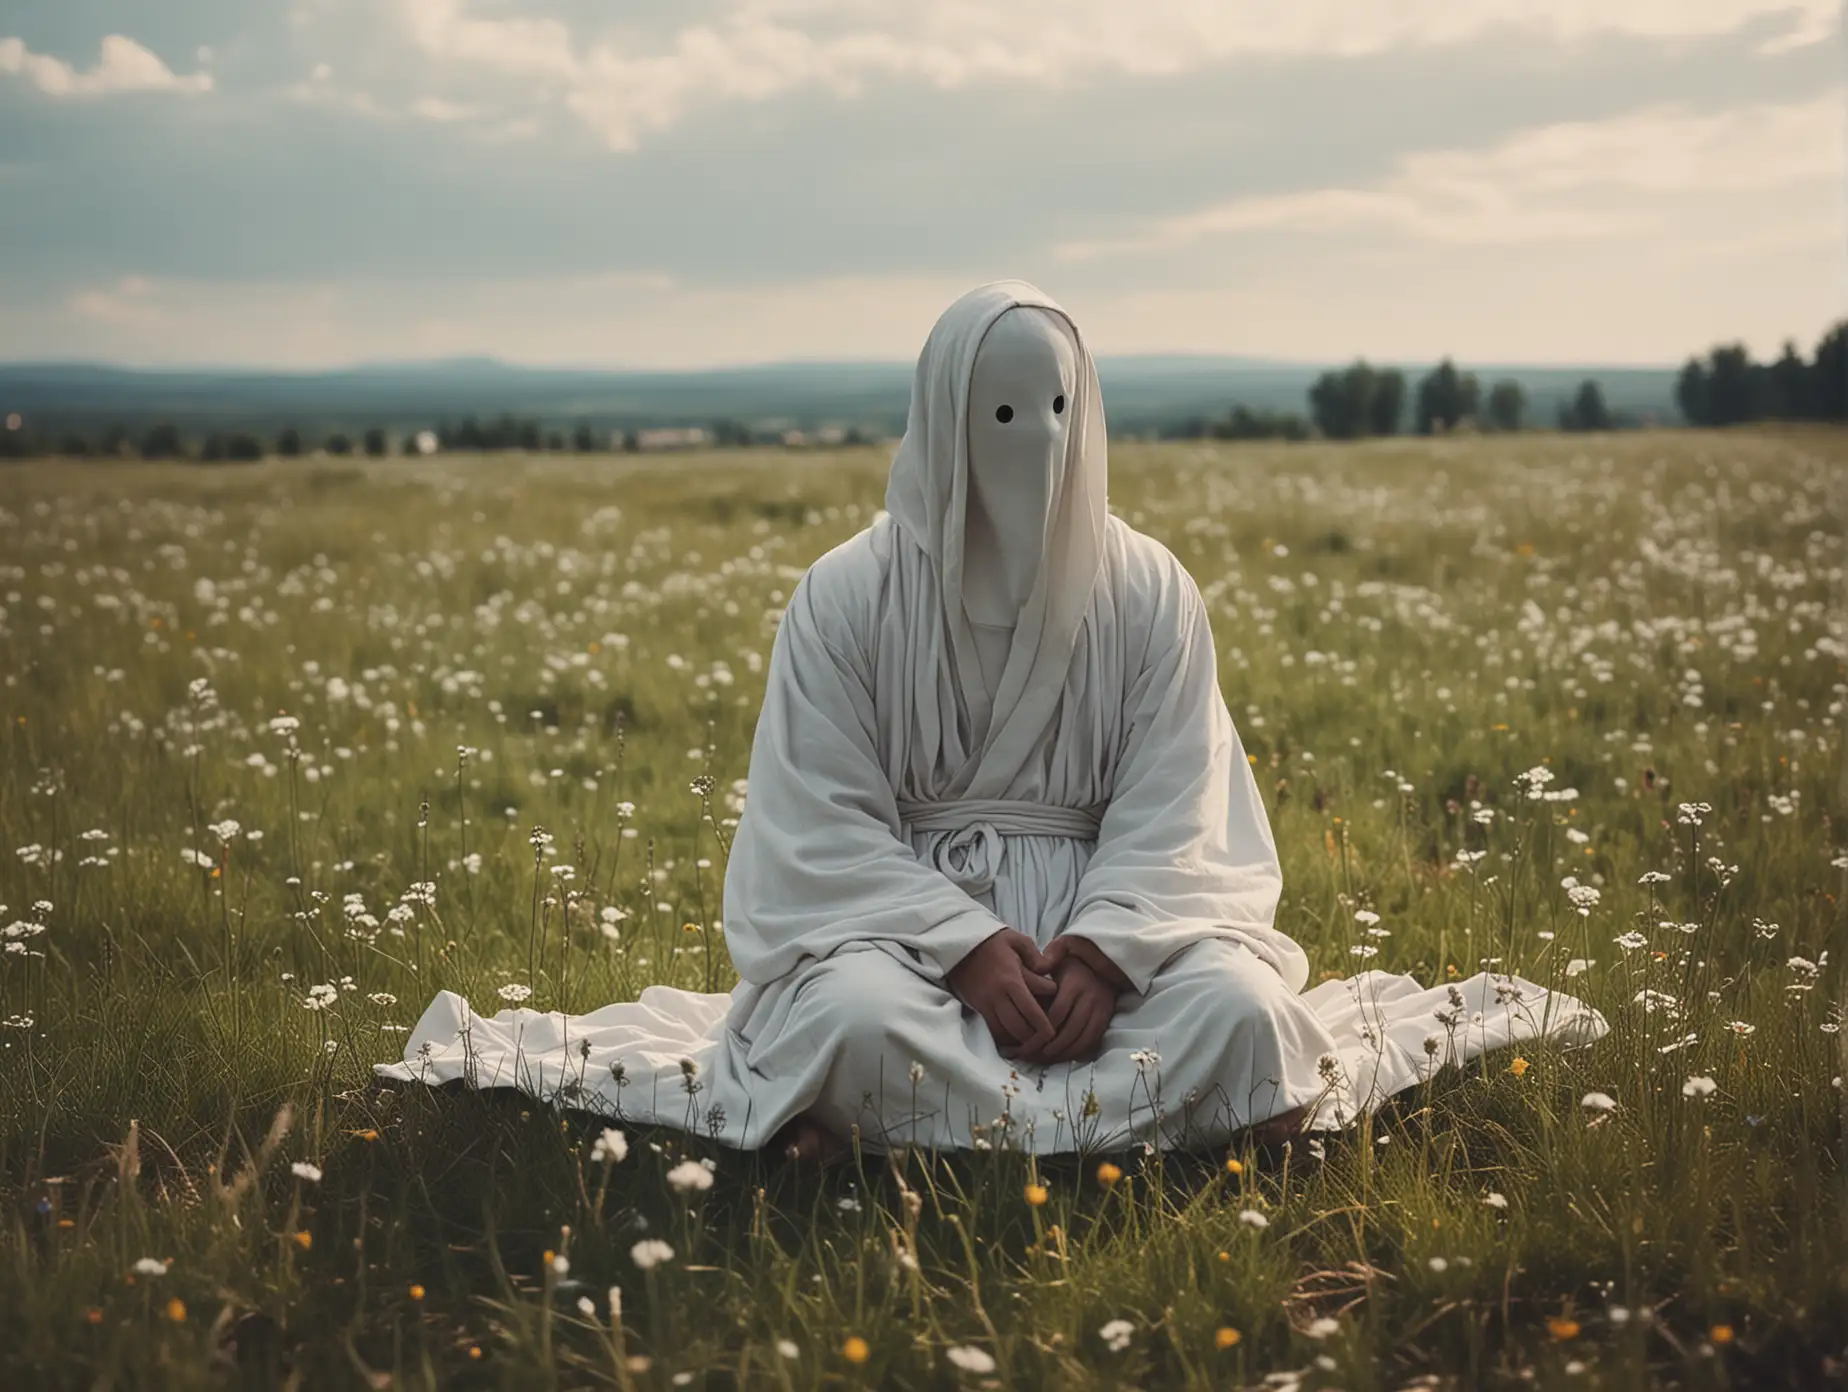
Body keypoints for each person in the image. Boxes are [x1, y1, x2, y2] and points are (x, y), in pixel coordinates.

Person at [378, 282, 1605, 1157]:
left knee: (1240, 1014)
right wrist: (960, 946)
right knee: (852, 1024)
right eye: (1006, 416)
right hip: (901, 955)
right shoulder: (848, 595)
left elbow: (1180, 801)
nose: (1038, 444)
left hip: (1112, 960)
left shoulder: (1150, 590)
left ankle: (893, 1143)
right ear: (947, 414)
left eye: (1059, 411)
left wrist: (1110, 952)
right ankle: (1105, 1130)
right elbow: (821, 823)